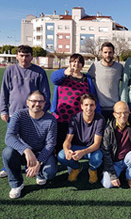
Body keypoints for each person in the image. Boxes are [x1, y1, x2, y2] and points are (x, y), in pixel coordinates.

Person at [0, 45, 51, 178]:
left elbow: (45, 93)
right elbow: (4, 92)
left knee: (33, 141)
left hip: (34, 115)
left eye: (27, 55)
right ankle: (9, 165)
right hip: (14, 114)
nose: (24, 58)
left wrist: (42, 111)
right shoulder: (10, 70)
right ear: (17, 56)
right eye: (21, 55)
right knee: (14, 141)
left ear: (31, 57)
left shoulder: (39, 72)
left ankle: (34, 164)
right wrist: (3, 110)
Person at [2, 90, 57, 199]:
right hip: (24, 153)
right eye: (34, 101)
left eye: (41, 101)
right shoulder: (19, 115)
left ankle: (39, 173)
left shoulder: (51, 119)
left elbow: (50, 144)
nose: (37, 104)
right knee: (7, 152)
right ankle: (16, 184)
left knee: (49, 173)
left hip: (41, 152)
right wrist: (26, 150)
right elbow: (9, 137)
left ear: (44, 103)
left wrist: (39, 162)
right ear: (27, 102)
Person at [50, 53, 101, 154]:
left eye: (79, 62)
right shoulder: (63, 76)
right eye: (74, 61)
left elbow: (93, 97)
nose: (76, 64)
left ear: (82, 65)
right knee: (59, 141)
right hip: (62, 116)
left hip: (78, 118)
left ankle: (73, 165)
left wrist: (97, 112)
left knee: (73, 142)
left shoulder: (87, 79)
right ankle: (58, 160)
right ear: (70, 63)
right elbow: (53, 79)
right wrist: (65, 72)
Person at [57, 93, 105, 183]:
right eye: (86, 105)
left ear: (95, 106)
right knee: (61, 156)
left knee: (98, 157)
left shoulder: (100, 119)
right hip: (76, 147)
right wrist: (67, 150)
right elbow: (67, 140)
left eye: (91, 105)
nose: (89, 108)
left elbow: (97, 144)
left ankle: (92, 169)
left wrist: (83, 152)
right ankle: (76, 168)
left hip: (91, 149)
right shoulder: (75, 118)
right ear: (82, 106)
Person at [101, 101, 131, 189]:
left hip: (128, 159)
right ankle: (119, 173)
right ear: (114, 114)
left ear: (129, 112)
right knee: (107, 184)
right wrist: (113, 175)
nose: (123, 115)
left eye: (125, 112)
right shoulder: (108, 129)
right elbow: (106, 153)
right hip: (115, 162)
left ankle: (129, 177)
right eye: (119, 113)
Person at [88, 42, 123, 123]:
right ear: (101, 52)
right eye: (105, 52)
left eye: (110, 52)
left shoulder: (119, 67)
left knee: (114, 134)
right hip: (99, 107)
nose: (108, 55)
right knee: (100, 133)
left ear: (113, 53)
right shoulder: (95, 66)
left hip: (115, 108)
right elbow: (87, 80)